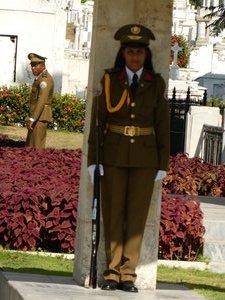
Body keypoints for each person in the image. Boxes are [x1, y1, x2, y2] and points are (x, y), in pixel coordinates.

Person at [88, 24, 170, 293]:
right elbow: (98, 121)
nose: (135, 57)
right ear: (123, 53)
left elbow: (162, 125)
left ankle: (128, 274)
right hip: (112, 155)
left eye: (139, 52)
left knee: (136, 219)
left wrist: (162, 163)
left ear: (146, 55)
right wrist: (93, 158)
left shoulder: (155, 84)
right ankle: (111, 272)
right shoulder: (110, 80)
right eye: (130, 51)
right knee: (113, 214)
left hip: (145, 160)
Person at [26, 53, 54, 149]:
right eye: (32, 65)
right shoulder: (40, 78)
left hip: (40, 117)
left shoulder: (44, 80)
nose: (33, 68)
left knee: (36, 146)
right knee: (31, 145)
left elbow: (41, 100)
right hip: (37, 116)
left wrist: (32, 119)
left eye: (35, 65)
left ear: (43, 65)